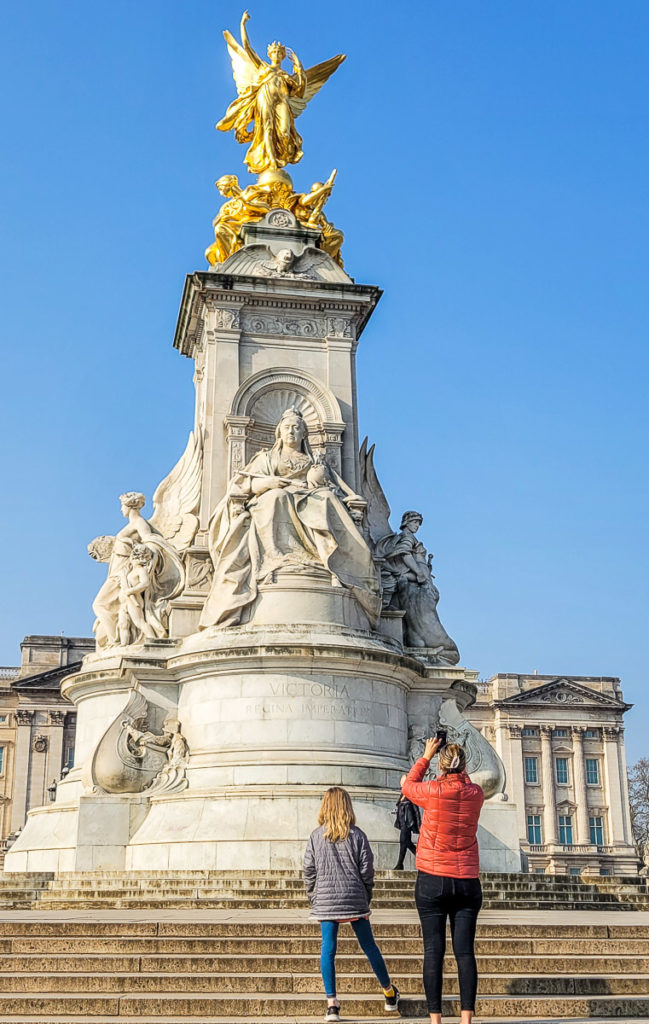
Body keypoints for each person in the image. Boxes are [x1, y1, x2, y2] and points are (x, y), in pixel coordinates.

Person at [402, 737, 485, 1024]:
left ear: (441, 765)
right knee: (464, 952)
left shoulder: (433, 791)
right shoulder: (476, 793)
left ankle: (435, 1019)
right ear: (463, 767)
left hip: (432, 878)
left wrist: (425, 757)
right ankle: (466, 1019)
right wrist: (456, 769)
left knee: (433, 951)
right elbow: (465, 784)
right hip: (466, 879)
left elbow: (408, 785)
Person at [303, 787, 400, 1022]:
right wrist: (366, 896)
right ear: (348, 806)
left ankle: (332, 1005)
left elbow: (309, 870)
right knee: (369, 946)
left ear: (325, 807)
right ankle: (388, 994)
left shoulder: (316, 836)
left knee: (328, 948)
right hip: (354, 898)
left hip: (326, 900)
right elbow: (367, 871)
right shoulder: (358, 836)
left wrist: (315, 897)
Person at [393, 780, 421, 869]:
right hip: (402, 823)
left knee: (403, 842)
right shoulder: (402, 794)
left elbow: (416, 810)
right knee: (408, 843)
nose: (400, 782)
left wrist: (419, 824)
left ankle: (399, 864)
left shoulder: (410, 795)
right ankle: (421, 858)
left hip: (407, 823)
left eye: (402, 781)